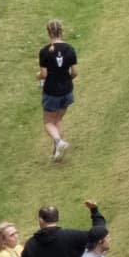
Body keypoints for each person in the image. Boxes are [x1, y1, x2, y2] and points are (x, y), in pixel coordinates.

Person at [39, 18, 78, 159]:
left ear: (49, 33)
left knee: (49, 122)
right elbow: (74, 72)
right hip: (67, 90)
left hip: (51, 92)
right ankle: (57, 152)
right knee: (59, 119)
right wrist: (67, 79)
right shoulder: (70, 49)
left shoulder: (44, 52)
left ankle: (59, 142)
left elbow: (44, 74)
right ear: (62, 31)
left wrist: (37, 76)